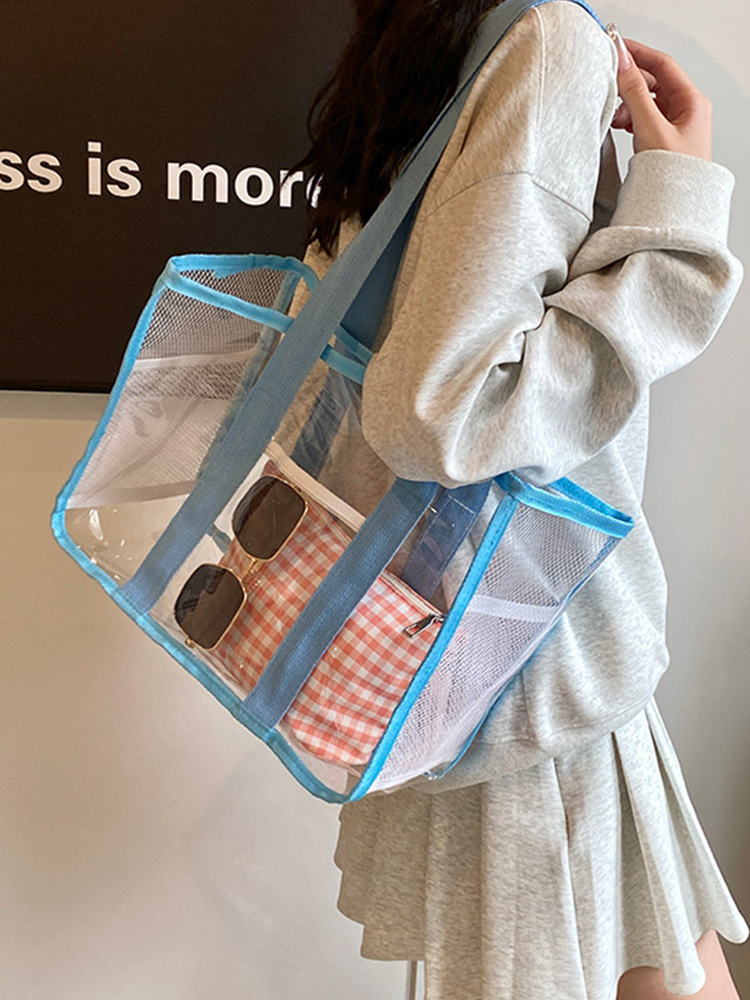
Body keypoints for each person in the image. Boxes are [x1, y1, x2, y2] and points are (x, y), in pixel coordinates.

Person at [285, 1, 749, 997]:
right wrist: (677, 215)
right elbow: (439, 411)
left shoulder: (432, 42)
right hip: (523, 654)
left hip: (430, 639)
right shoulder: (547, 41)